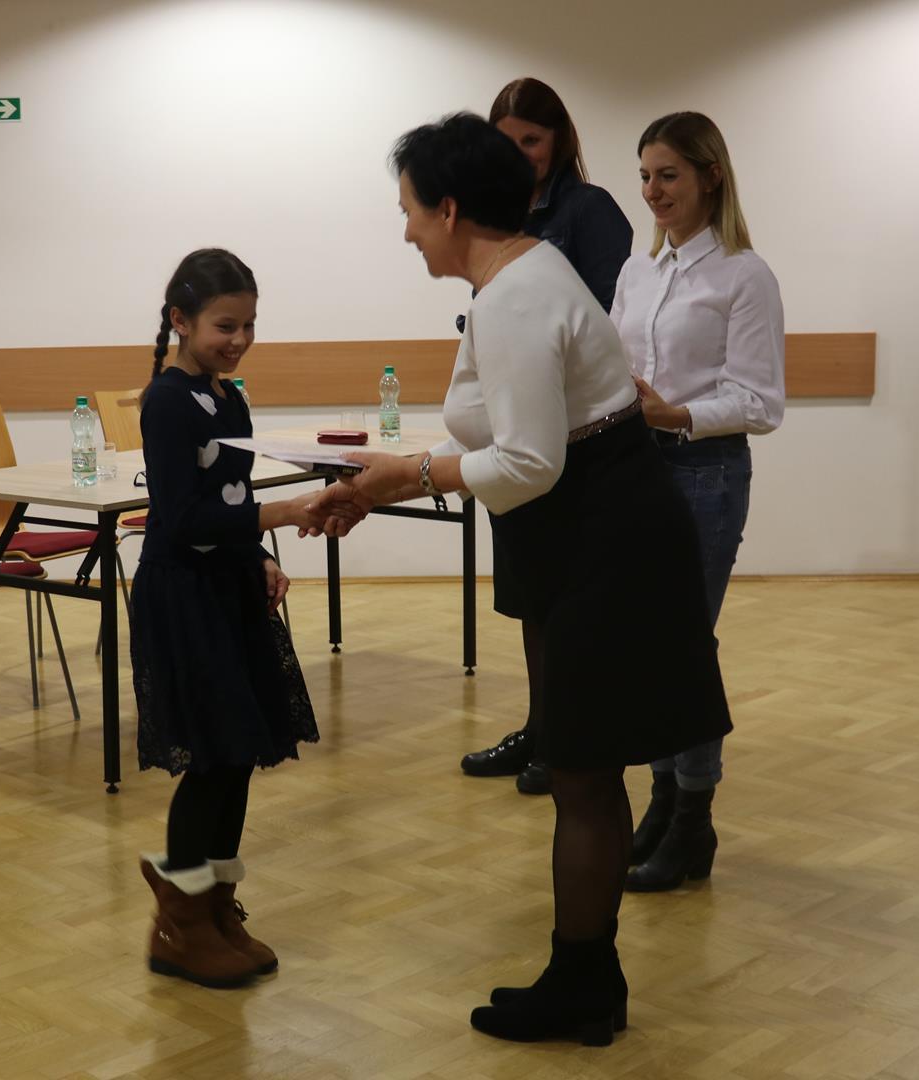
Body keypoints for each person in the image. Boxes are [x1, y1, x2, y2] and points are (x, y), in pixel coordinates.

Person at [312, 114, 731, 1045]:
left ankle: (582, 984)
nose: (406, 231)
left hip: (602, 540)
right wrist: (389, 480)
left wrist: (407, 475)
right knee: (586, 768)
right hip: (595, 530)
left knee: (581, 773)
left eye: (410, 211)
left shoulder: (514, 296)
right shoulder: (518, 276)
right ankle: (591, 980)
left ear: (450, 208)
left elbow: (529, 463)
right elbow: (502, 432)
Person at [132, 248, 353, 989]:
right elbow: (181, 517)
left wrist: (257, 555)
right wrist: (284, 513)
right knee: (211, 756)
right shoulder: (166, 403)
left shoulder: (227, 399)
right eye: (225, 326)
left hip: (226, 586)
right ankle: (179, 924)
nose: (240, 339)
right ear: (180, 321)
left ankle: (215, 909)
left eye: (250, 325)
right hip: (183, 597)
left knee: (238, 754)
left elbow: (229, 497)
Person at [609, 113, 785, 893]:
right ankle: (662, 802)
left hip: (704, 472)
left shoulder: (745, 276)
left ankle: (693, 819)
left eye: (668, 175)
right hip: (636, 473)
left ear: (711, 176)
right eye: (645, 176)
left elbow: (761, 401)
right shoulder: (638, 271)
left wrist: (674, 413)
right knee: (647, 648)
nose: (653, 191)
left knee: (683, 647)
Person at [461, 77, 635, 796]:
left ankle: (569, 738)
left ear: (559, 140)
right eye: (505, 143)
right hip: (517, 427)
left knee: (568, 605)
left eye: (531, 140)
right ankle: (542, 727)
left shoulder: (588, 211)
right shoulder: (498, 216)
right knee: (531, 597)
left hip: (576, 439)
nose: (519, 155)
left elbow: (607, 319)